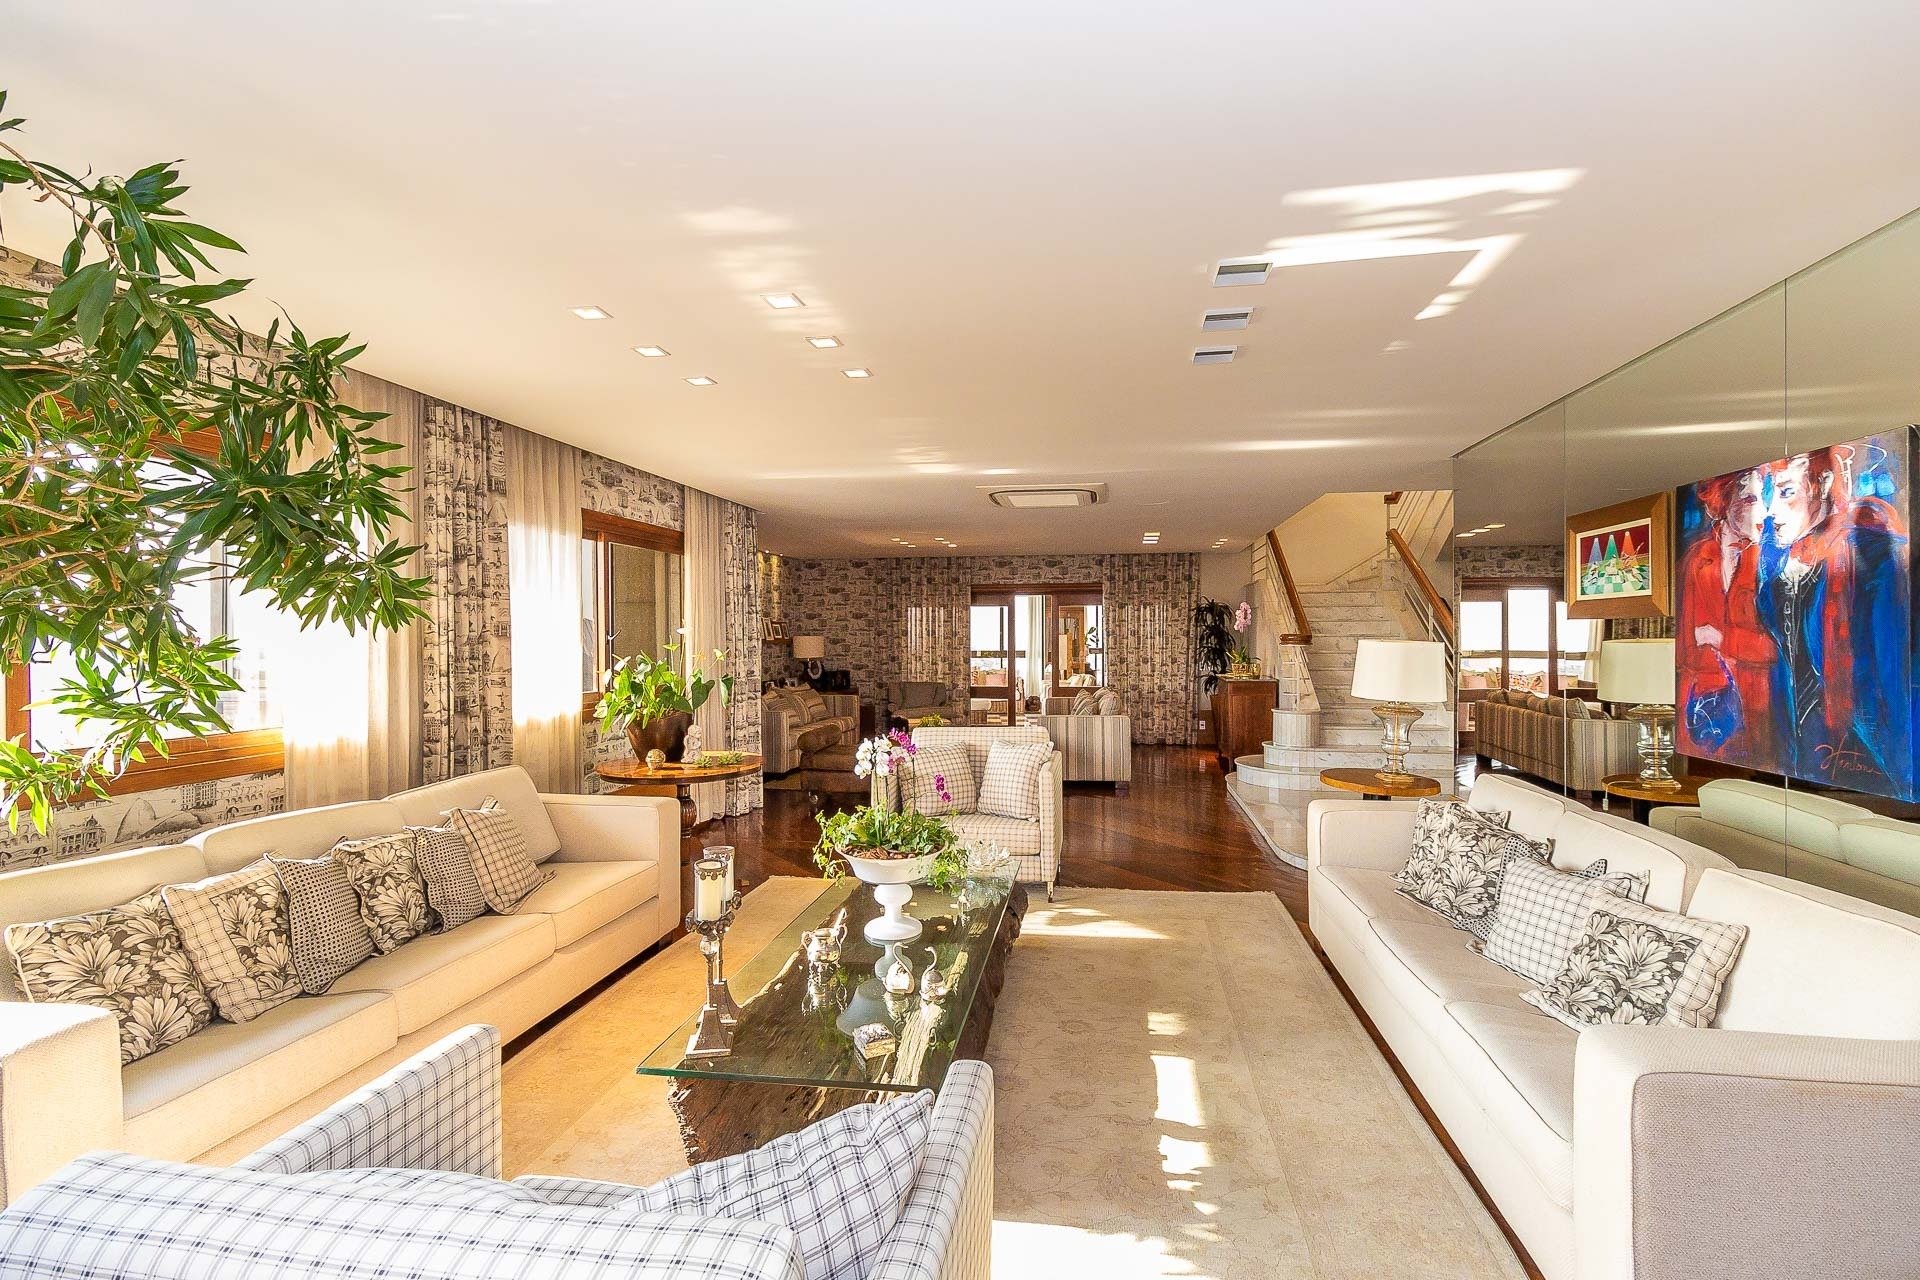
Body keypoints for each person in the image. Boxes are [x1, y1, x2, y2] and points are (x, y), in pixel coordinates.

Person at [1756, 444, 1911, 794]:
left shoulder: (1871, 557)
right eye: (1768, 495)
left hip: (1864, 752)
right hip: (1800, 753)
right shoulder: (1783, 567)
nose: (1771, 511)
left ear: (1823, 484)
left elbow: (1892, 671)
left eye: (1786, 492)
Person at [1677, 467, 1776, 758]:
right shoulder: (1696, 559)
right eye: (1750, 499)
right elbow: (1682, 646)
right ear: (1724, 502)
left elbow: (1781, 649)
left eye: (1764, 500)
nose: (1762, 513)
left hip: (1755, 708)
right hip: (1700, 708)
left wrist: (1722, 638)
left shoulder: (1770, 562)